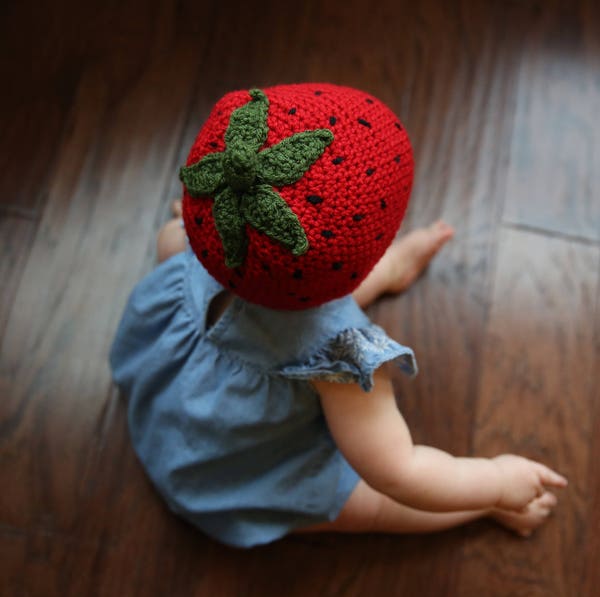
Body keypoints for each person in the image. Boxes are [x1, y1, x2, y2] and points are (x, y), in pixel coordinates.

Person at [110, 84, 567, 548]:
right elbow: (399, 472)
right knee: (374, 505)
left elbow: (277, 284)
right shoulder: (337, 359)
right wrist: (495, 480)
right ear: (364, 255)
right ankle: (487, 512)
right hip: (225, 483)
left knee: (276, 287)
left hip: (159, 409)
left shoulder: (187, 243)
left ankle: (391, 272)